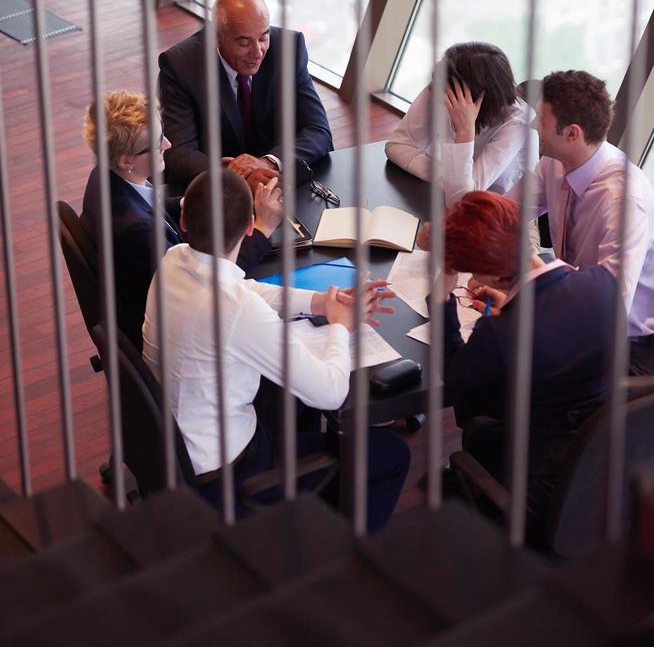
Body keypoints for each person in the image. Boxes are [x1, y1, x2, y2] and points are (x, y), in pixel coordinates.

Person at [142, 168, 410, 532]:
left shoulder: (173, 261)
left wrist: (320, 302)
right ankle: (338, 554)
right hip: (229, 475)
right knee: (391, 455)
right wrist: (340, 326)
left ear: (184, 219)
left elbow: (245, 288)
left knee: (287, 398)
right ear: (251, 226)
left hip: (176, 449)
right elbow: (331, 392)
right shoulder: (234, 309)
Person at [438, 190, 616, 544]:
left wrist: (443, 300)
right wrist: (515, 306)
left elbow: (455, 381)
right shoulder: (602, 284)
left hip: (537, 471)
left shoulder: (499, 334)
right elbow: (558, 326)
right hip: (600, 451)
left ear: (493, 270)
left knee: (477, 414)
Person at [81, 91, 283, 351]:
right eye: (155, 143)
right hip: (178, 335)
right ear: (126, 160)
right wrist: (263, 227)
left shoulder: (107, 176)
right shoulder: (137, 233)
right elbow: (209, 289)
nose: (167, 144)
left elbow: (149, 204)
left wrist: (192, 202)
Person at [506, 70, 654, 376]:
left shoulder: (623, 201)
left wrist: (529, 276)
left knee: (508, 359)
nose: (535, 127)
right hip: (575, 300)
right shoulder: (553, 160)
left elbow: (609, 306)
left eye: (542, 122)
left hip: (629, 342)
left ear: (572, 133)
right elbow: (506, 211)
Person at [158, 0, 333, 193]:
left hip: (280, 183)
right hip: (216, 191)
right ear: (217, 36)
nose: (257, 52)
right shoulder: (181, 65)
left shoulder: (288, 48)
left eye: (263, 37)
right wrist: (239, 177)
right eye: (244, 42)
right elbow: (179, 152)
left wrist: (268, 162)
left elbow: (319, 131)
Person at [385, 42, 537, 207]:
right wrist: (447, 179)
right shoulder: (444, 85)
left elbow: (461, 200)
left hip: (500, 212)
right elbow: (397, 145)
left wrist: (465, 131)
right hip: (446, 199)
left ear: (475, 98)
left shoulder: (519, 124)